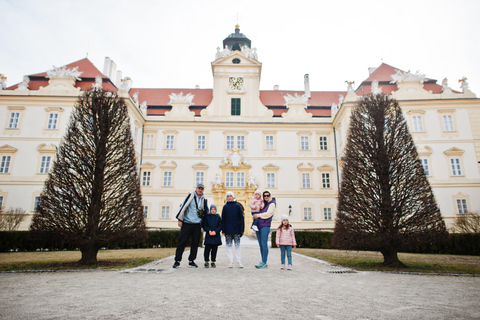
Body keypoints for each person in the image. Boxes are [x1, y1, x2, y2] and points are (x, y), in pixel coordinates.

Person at [173, 183, 209, 269]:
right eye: (199, 188)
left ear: (203, 190)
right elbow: (183, 206)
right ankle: (177, 261)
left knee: (195, 243)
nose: (200, 190)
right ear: (196, 188)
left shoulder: (204, 200)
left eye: (201, 189)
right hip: (187, 222)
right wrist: (180, 219)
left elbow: (206, 212)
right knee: (182, 241)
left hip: (197, 224)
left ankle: (191, 260)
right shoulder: (190, 196)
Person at [253, 190, 276, 269]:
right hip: (259, 225)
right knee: (260, 244)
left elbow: (268, 214)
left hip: (265, 225)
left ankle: (264, 262)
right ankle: (263, 260)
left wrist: (258, 215)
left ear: (270, 195)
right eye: (264, 195)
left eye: (267, 195)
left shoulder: (272, 204)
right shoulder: (263, 203)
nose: (266, 197)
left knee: (264, 243)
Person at [221, 191, 245, 268]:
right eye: (228, 196)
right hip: (227, 230)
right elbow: (223, 219)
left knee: (237, 246)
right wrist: (223, 230)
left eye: (230, 196)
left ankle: (239, 261)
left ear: (233, 197)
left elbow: (241, 218)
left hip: (236, 230)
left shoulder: (237, 206)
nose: (229, 198)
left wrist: (242, 229)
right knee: (228, 246)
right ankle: (230, 261)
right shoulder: (225, 207)